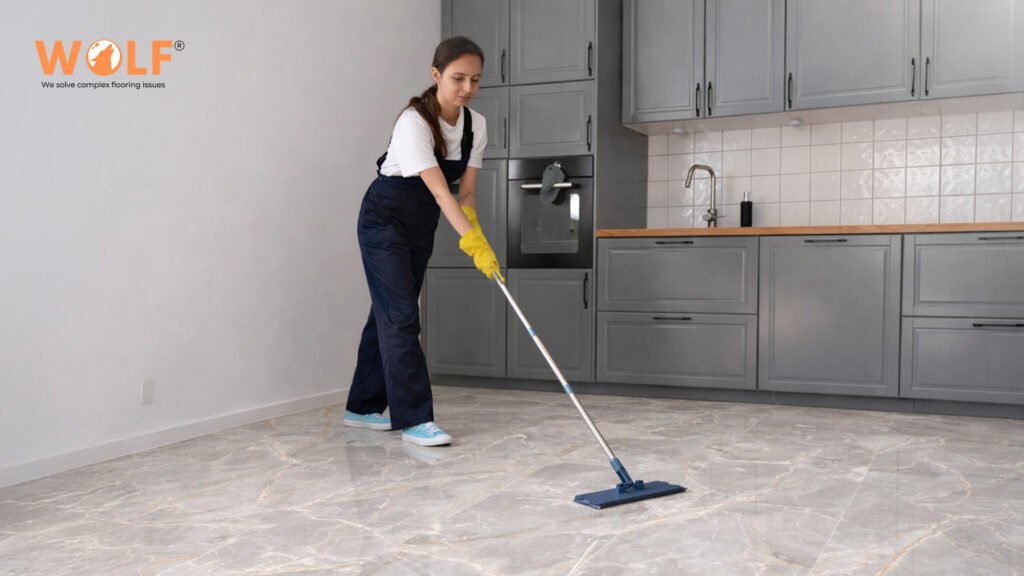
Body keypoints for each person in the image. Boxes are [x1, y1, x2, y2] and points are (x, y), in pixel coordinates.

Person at [343, 37, 502, 447]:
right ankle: (415, 419)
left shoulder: (475, 125)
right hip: (384, 219)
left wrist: (478, 237)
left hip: (421, 223)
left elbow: (465, 194)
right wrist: (473, 245)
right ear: (436, 75)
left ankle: (361, 406)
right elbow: (440, 192)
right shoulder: (414, 122)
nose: (467, 88)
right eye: (457, 78)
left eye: (475, 80)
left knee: (388, 313)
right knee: (401, 314)